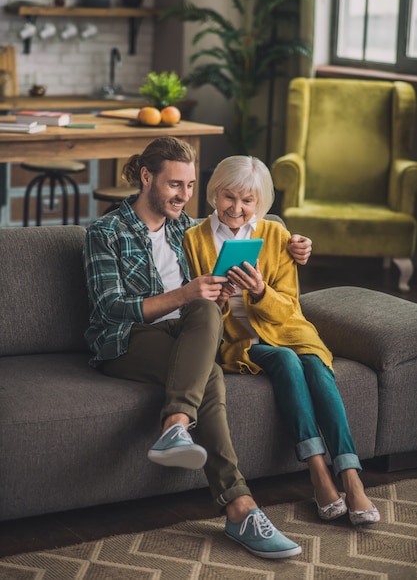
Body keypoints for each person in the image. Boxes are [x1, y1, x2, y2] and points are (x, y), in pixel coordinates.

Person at [83, 136, 312, 560]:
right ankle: (240, 506)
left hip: (188, 335)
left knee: (208, 313)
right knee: (207, 368)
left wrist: (294, 245)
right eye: (175, 185)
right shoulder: (106, 231)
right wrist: (186, 294)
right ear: (147, 178)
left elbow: (254, 219)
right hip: (125, 341)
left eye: (190, 186)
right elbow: (110, 307)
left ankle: (177, 428)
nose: (184, 196)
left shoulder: (187, 230)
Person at [183, 154, 380, 527]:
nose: (237, 208)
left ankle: (351, 475)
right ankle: (318, 470)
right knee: (287, 361)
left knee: (315, 366)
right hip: (240, 341)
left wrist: (260, 291)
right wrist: (221, 299)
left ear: (260, 202)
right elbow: (197, 311)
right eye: (229, 197)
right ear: (214, 194)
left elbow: (290, 305)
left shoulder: (276, 236)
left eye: (247, 200)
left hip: (288, 330)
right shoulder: (193, 240)